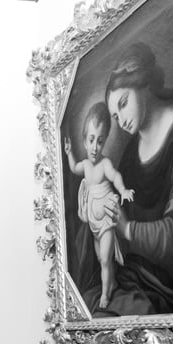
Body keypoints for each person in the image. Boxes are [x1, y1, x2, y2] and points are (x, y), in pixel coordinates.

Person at [93, 41, 173, 316]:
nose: (120, 120)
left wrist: (126, 230)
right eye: (114, 115)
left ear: (143, 83)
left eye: (123, 104)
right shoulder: (129, 156)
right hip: (135, 277)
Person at [65, 102, 134, 310]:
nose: (95, 147)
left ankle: (105, 294)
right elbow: (74, 168)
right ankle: (111, 282)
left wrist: (122, 191)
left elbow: (116, 176)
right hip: (93, 224)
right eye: (91, 140)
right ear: (85, 141)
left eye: (100, 142)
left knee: (105, 259)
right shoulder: (86, 166)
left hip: (105, 222)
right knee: (101, 259)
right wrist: (69, 153)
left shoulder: (105, 164)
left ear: (104, 143)